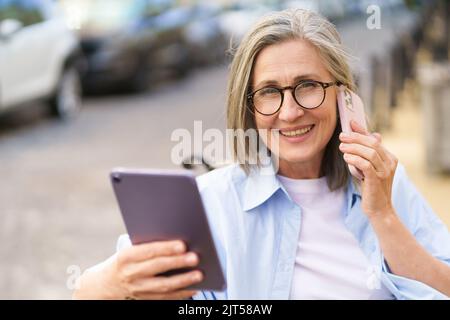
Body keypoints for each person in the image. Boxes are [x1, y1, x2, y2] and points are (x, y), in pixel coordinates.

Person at [73, 9, 450, 300]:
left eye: (308, 85)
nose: (290, 112)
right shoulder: (210, 201)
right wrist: (115, 281)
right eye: (270, 92)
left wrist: (382, 214)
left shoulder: (387, 184)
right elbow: (88, 290)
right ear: (248, 107)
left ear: (343, 95)